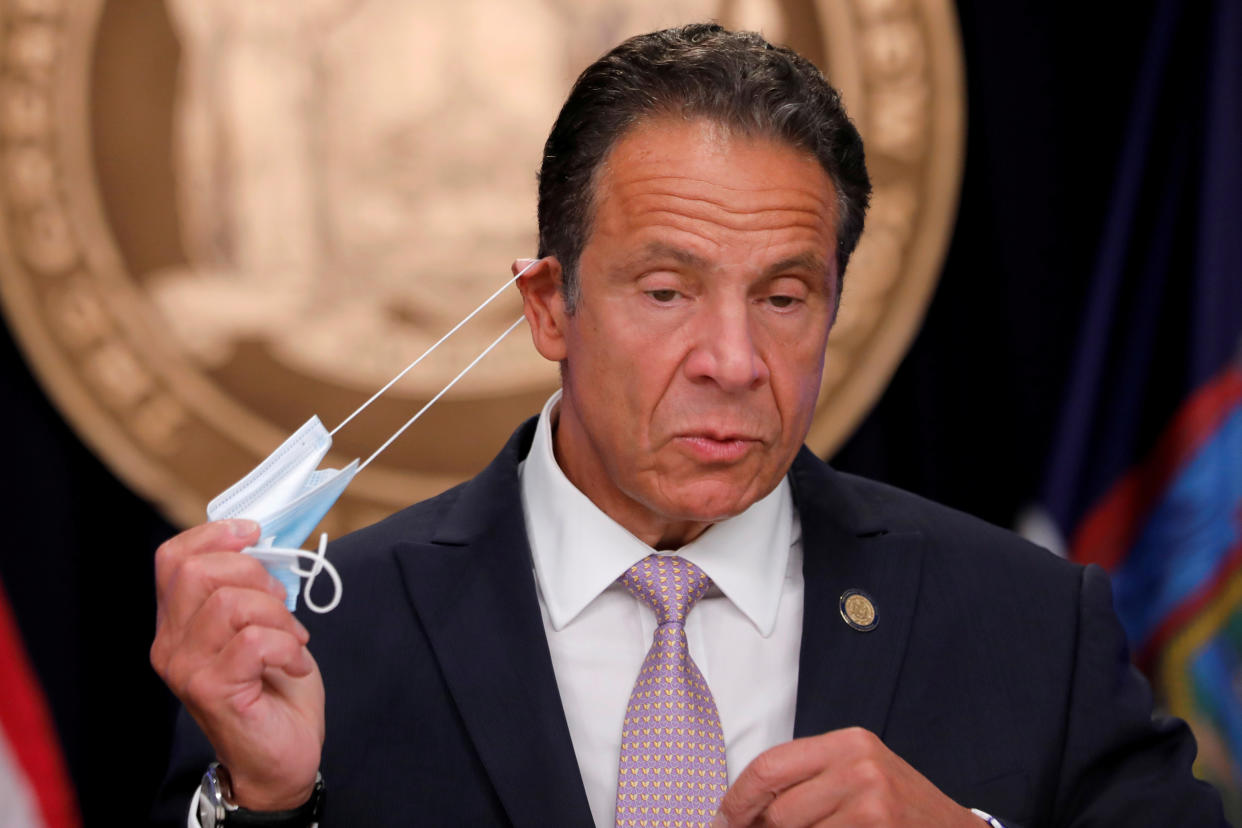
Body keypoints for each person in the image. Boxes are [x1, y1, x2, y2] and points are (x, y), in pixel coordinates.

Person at [150, 24, 1227, 828]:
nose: (733, 360)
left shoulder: (1033, 624)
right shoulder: (317, 639)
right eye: (666, 291)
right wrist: (267, 805)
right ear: (548, 308)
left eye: (785, 296)